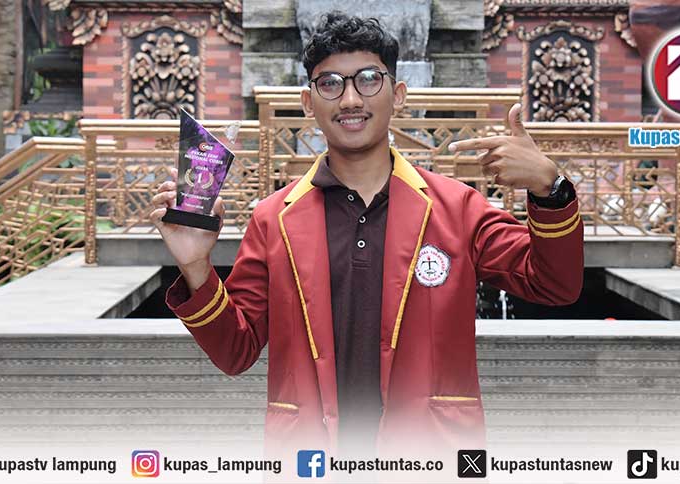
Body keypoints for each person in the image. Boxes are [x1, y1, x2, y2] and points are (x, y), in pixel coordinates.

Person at [150, 11, 583, 462]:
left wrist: (550, 189)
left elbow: (555, 284)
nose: (351, 99)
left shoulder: (457, 208)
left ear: (399, 95)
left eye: (369, 80)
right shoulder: (273, 219)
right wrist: (196, 266)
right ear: (308, 102)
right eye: (330, 84)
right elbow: (235, 352)